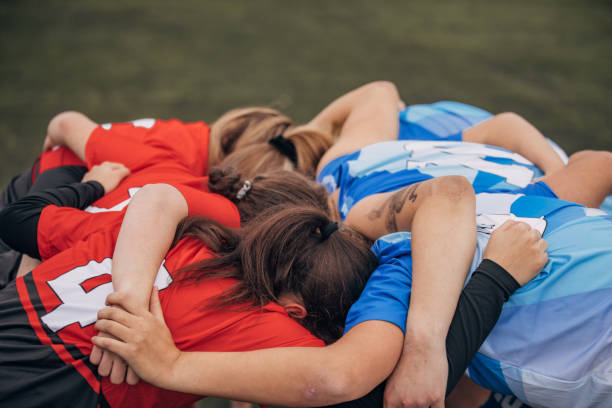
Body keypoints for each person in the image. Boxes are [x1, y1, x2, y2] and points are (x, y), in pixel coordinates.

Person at [0, 166, 379, 407]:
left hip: (12, 314)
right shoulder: (268, 327)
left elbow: (160, 196)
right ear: (296, 311)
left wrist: (129, 301)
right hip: (51, 385)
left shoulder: (186, 235)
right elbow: (335, 377)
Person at [0, 105, 333, 286]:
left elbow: (65, 123)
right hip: (53, 205)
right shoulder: (180, 179)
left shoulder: (173, 156)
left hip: (55, 195)